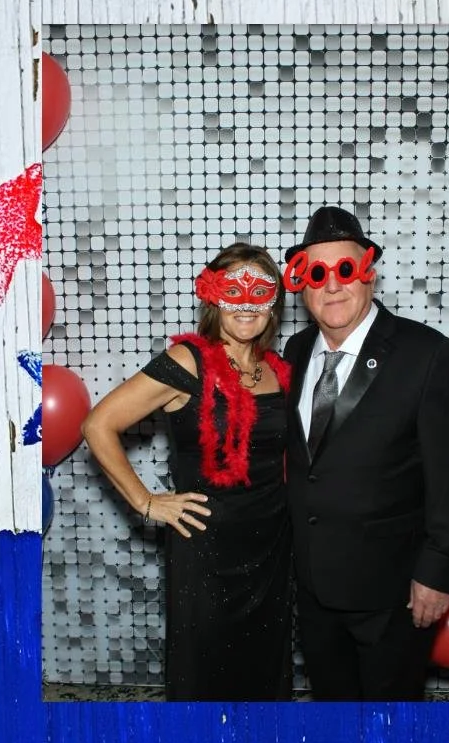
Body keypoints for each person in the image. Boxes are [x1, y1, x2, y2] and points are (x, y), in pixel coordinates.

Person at [281, 207, 449, 701]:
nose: (332, 285)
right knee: (335, 715)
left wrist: (437, 574)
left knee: (391, 724)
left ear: (368, 273)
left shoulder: (427, 355)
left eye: (345, 269)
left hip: (394, 595)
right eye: (317, 273)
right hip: (314, 590)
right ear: (302, 285)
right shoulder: (296, 350)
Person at [81, 242, 293, 702]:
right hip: (207, 549)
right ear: (213, 296)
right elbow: (98, 424)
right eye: (233, 289)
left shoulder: (276, 370)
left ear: (274, 303)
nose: (246, 304)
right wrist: (146, 501)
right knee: (207, 675)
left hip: (271, 550)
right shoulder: (187, 362)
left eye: (259, 291)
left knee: (264, 672)